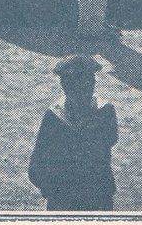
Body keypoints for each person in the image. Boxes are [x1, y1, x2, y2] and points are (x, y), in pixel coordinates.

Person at [27, 55, 120, 211]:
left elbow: (111, 139)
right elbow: (36, 166)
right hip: (65, 199)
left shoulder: (105, 111)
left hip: (98, 196)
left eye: (89, 85)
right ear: (66, 88)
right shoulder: (55, 117)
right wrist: (53, 191)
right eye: (78, 90)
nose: (85, 93)